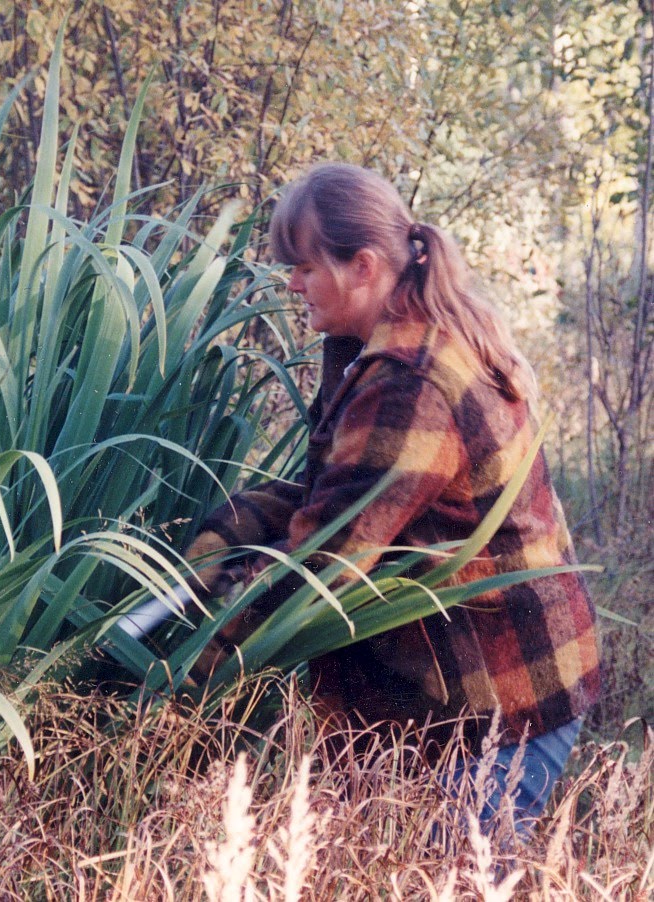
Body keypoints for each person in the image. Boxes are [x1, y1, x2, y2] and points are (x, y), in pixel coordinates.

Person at [186, 162, 601, 830]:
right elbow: (341, 498)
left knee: (451, 877)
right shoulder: (383, 342)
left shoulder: (410, 382)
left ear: (364, 266)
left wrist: (191, 657)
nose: (292, 283)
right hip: (473, 688)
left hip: (501, 701)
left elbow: (323, 565)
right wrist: (225, 532)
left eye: (304, 266)